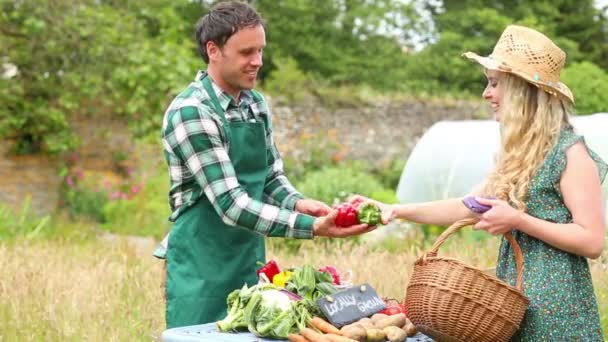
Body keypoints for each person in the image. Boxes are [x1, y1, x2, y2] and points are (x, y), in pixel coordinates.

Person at [351, 25, 606, 341]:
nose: (487, 93)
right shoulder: (519, 154)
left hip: (561, 315)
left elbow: (592, 241)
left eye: (495, 83)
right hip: (513, 307)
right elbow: (466, 207)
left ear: (522, 90)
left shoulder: (570, 152)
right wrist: (395, 210)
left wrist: (518, 220)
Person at [156, 1, 373, 329]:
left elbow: (270, 176)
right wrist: (311, 227)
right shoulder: (192, 112)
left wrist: (298, 203)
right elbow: (231, 205)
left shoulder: (255, 104)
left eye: (260, 50)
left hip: (247, 255)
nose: (257, 61)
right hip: (201, 265)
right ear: (213, 50)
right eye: (246, 52)